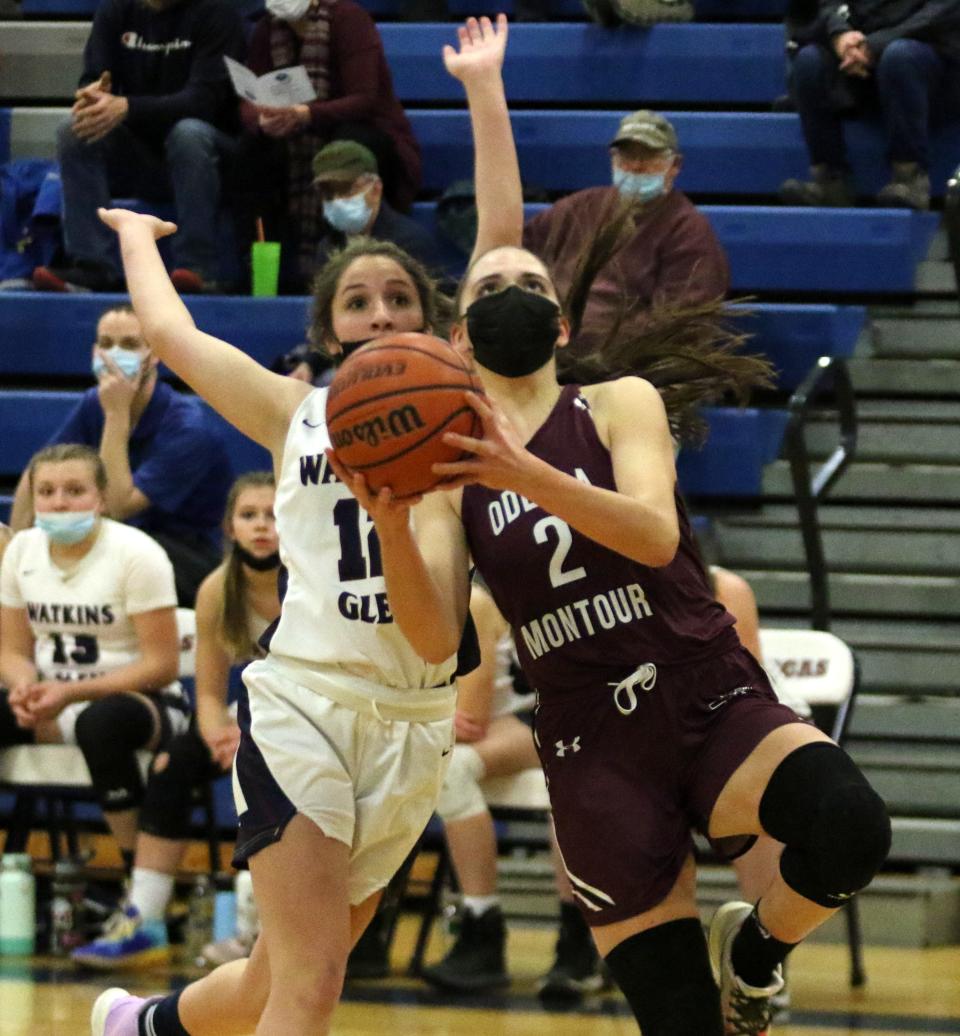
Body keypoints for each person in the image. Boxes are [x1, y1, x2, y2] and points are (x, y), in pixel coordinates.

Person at [327, 22, 893, 1035]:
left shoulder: (619, 401)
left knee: (851, 825)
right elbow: (429, 637)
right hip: (589, 738)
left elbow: (651, 537)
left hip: (702, 686)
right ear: (457, 335)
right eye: (489, 287)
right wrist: (388, 518)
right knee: (678, 1022)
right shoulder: (443, 479)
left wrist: (525, 469)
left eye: (532, 286)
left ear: (562, 324)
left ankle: (758, 948)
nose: (512, 295)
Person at [85, 17, 514, 1033]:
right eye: (357, 302)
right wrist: (139, 244)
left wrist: (484, 95)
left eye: (398, 299)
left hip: (410, 725)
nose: (377, 314)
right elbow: (175, 338)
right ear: (327, 333)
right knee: (316, 984)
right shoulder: (296, 414)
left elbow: (500, 246)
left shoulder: (464, 423)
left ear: (431, 326)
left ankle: (138, 1025)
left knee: (278, 975)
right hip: (305, 705)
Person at [69, 471, 279, 969]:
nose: (262, 526)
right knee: (172, 762)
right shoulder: (215, 591)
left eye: (273, 515)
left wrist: (249, 735)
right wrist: (215, 732)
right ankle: (146, 918)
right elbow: (207, 692)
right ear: (229, 528)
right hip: (245, 716)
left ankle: (268, 927)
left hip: (305, 718)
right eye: (249, 515)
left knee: (275, 771)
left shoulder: (309, 583)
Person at [0, 444, 191, 885]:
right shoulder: (20, 551)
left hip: (145, 703)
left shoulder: (136, 554)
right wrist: (26, 687)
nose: (60, 502)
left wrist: (69, 693)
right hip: (52, 701)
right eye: (46, 491)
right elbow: (11, 652)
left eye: (74, 490)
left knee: (100, 723)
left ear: (102, 499)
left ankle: (137, 886)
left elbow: (161, 665)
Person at [419, 580, 608, 1000]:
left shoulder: (475, 601)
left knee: (451, 770)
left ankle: (499, 925)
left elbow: (471, 717)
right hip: (469, 728)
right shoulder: (383, 591)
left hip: (534, 720)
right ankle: (367, 934)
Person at [9, 303, 233, 607]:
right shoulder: (93, 402)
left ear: (155, 354)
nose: (114, 354)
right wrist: (16, 555)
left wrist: (116, 415)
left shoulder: (188, 428)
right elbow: (38, 469)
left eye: (129, 344)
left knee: (96, 562)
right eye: (106, 344)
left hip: (187, 552)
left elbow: (117, 505)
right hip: (119, 536)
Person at [30, 0, 246, 294]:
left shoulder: (218, 15)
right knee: (75, 130)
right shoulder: (115, 11)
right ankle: (93, 265)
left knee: (188, 134)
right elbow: (95, 77)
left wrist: (128, 107)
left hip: (211, 156)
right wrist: (92, 94)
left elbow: (203, 101)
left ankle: (197, 267)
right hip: (139, 154)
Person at [240, 0, 422, 289]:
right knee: (254, 150)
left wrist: (307, 114)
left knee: (346, 142)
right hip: (296, 142)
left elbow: (363, 99)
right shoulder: (266, 29)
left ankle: (332, 266)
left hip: (367, 139)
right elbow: (249, 99)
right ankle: (261, 279)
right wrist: (263, 120)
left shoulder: (349, 19)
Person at [522, 109, 729, 354]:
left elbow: (680, 324)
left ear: (675, 165)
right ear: (612, 159)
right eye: (626, 156)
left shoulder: (688, 231)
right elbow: (519, 255)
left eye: (650, 157)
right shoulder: (578, 207)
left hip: (623, 369)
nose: (636, 167)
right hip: (542, 351)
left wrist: (590, 348)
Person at [780, 0, 960, 210]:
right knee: (809, 62)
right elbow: (827, 6)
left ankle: (909, 180)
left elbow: (938, 16)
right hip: (865, 60)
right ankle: (830, 182)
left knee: (899, 56)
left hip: (935, 62)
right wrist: (840, 33)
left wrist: (873, 45)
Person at [312, 140, 444, 271]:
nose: (337, 200)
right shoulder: (326, 249)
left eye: (347, 190)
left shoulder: (411, 243)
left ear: (376, 189)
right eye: (328, 193)